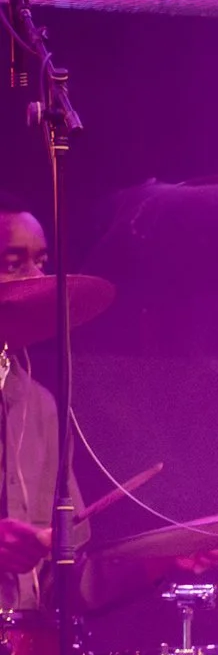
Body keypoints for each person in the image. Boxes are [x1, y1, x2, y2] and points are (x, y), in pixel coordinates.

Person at [0, 206, 77, 605]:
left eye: (42, 263)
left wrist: (161, 561)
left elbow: (74, 580)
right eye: (14, 264)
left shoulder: (41, 406)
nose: (36, 279)